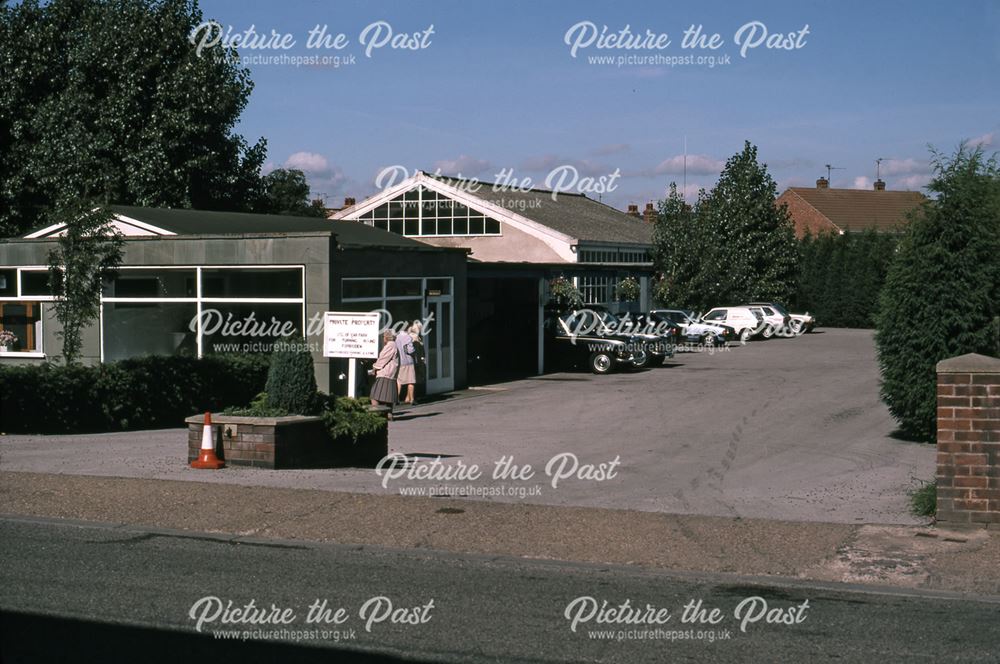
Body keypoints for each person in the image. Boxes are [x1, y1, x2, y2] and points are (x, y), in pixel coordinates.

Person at [369, 330, 399, 417]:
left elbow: (383, 359)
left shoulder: (390, 345)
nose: (383, 338)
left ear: (386, 337)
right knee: (388, 396)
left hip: (385, 373)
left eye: (383, 336)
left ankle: (377, 415)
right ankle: (389, 414)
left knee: (374, 395)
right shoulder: (394, 345)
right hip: (391, 374)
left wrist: (374, 368)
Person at [395, 323, 417, 405]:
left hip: (400, 361)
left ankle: (396, 399)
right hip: (408, 361)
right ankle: (411, 399)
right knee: (411, 381)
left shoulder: (396, 337)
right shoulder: (408, 337)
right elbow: (410, 350)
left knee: (399, 381)